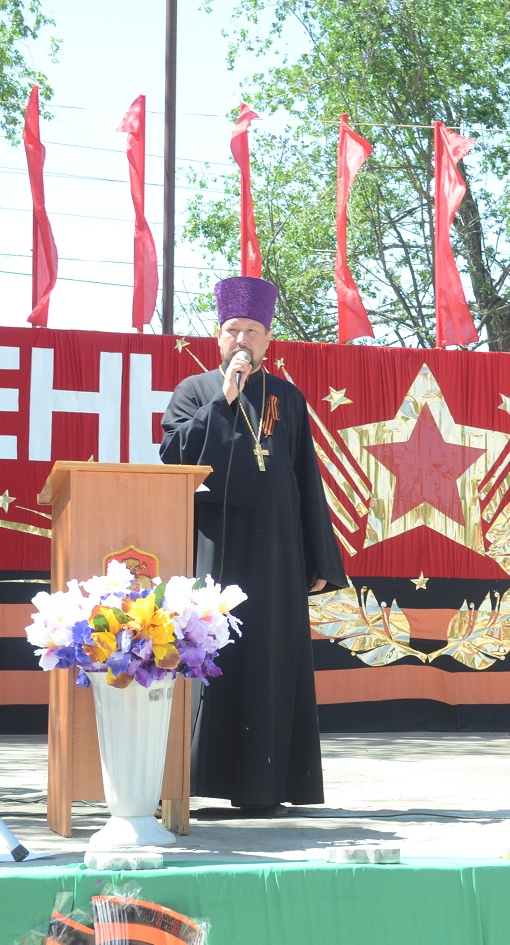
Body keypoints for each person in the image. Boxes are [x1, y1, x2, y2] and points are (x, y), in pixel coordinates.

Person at [161, 276, 347, 816]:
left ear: (268, 340)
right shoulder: (194, 391)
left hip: (277, 554)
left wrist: (317, 556)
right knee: (212, 654)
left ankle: (263, 788)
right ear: (218, 337)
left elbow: (305, 479)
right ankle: (194, 779)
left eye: (251, 331)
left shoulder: (288, 398)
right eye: (232, 330)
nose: (241, 339)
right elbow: (174, 457)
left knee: (269, 659)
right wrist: (223, 402)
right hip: (214, 547)